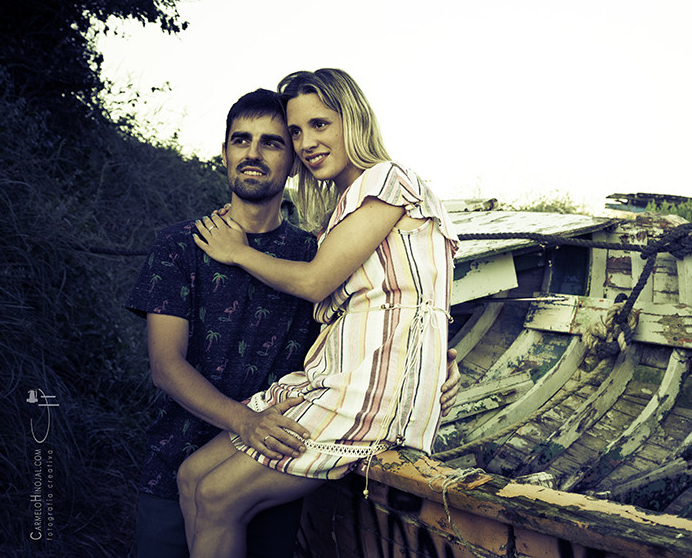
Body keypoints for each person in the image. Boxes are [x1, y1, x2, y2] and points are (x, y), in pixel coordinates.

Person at [126, 88, 459, 558]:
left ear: (290, 164)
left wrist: (438, 364)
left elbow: (373, 299)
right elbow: (164, 365)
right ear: (224, 154)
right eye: (242, 140)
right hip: (180, 451)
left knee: (223, 500)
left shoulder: (313, 250)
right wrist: (244, 420)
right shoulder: (184, 245)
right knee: (191, 479)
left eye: (277, 141)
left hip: (288, 430)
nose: (255, 153)